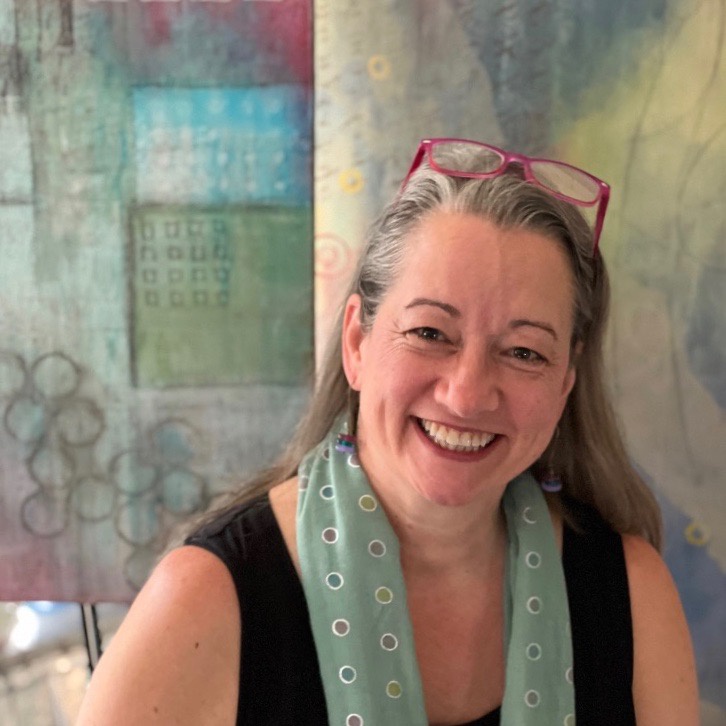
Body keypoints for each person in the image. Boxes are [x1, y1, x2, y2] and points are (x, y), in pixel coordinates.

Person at [76, 139, 699, 725]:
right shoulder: (205, 601)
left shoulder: (632, 595)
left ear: (565, 383)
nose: (467, 394)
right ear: (357, 342)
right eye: (430, 333)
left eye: (524, 352)